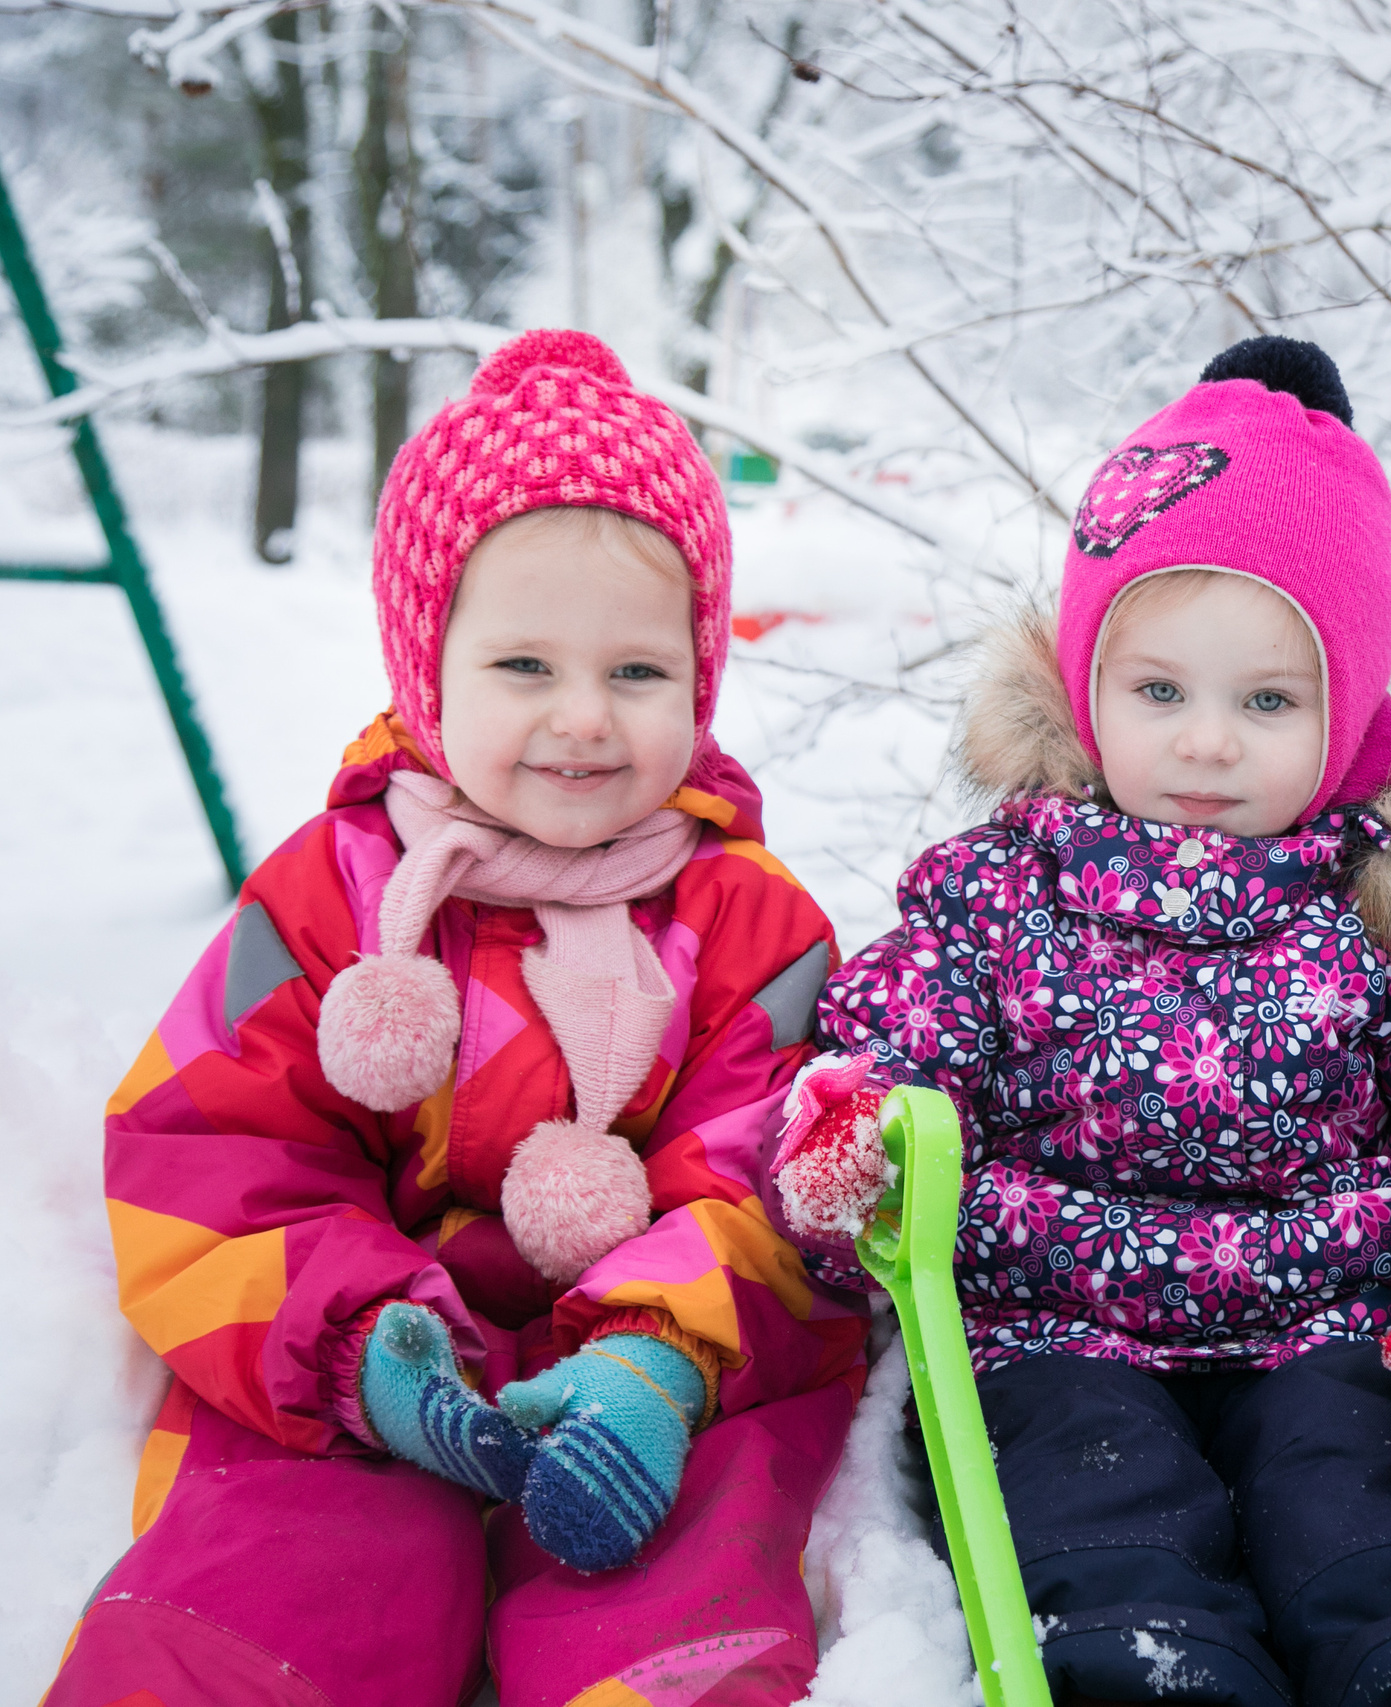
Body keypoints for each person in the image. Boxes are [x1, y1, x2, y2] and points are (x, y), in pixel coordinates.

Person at [770, 337, 1391, 1707]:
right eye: (1159, 689)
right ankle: (1157, 1673)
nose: (1208, 743)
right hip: (1057, 1317)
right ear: (1086, 679)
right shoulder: (1005, 883)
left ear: (1347, 715)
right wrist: (858, 1115)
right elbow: (904, 1023)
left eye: (1269, 700)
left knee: (1377, 1498)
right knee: (1102, 1504)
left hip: (1331, 1315)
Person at [50, 331, 868, 1707]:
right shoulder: (330, 898)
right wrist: (360, 1348)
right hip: (351, 1375)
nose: (583, 720)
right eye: (524, 666)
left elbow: (762, 1181)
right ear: (427, 664)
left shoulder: (752, 927)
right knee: (285, 1573)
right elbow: (213, 1152)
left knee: (679, 1582)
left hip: (649, 1390)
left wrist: (660, 1360)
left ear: (703, 675)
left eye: (639, 673)